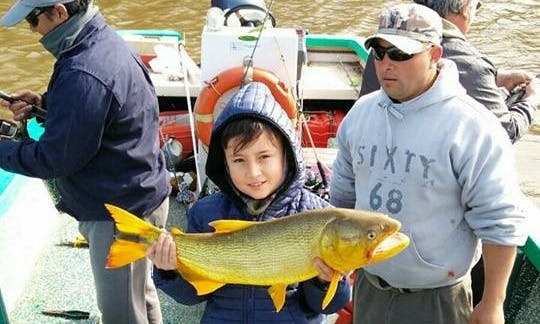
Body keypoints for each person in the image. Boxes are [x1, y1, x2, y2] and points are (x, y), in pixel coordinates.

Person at [330, 3, 533, 323]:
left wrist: (492, 303)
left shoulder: (473, 127)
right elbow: (342, 200)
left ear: (436, 54)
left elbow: (500, 221)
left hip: (438, 300)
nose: (386, 65)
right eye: (379, 52)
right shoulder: (360, 116)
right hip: (369, 290)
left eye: (400, 54)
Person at [0, 1, 170, 323]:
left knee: (121, 313)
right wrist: (46, 103)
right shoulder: (102, 41)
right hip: (144, 194)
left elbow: (54, 159)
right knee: (139, 293)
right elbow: (97, 108)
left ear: (60, 12)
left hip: (119, 215)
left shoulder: (83, 71)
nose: (33, 30)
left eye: (33, 20)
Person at [147, 81, 351, 323]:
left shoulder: (318, 215)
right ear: (224, 163)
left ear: (287, 153)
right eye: (239, 160)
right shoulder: (206, 212)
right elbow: (192, 295)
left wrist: (326, 281)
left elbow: (326, 307)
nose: (253, 173)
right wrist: (170, 271)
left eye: (264, 157)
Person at [360, 0, 538, 144]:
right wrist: (530, 100)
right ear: (465, 8)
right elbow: (503, 134)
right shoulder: (472, 65)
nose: (387, 64)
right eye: (384, 54)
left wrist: (492, 76)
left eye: (400, 55)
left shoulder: (381, 48)